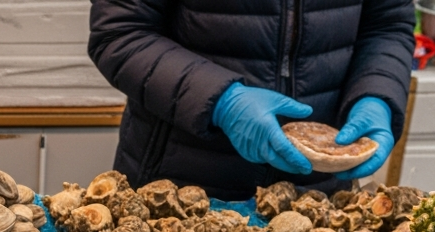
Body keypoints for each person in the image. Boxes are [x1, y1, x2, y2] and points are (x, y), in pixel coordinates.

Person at [87, 0, 415, 200]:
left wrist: (376, 93)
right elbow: (121, 34)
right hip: (176, 192)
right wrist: (222, 101)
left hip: (316, 195)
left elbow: (387, 25)